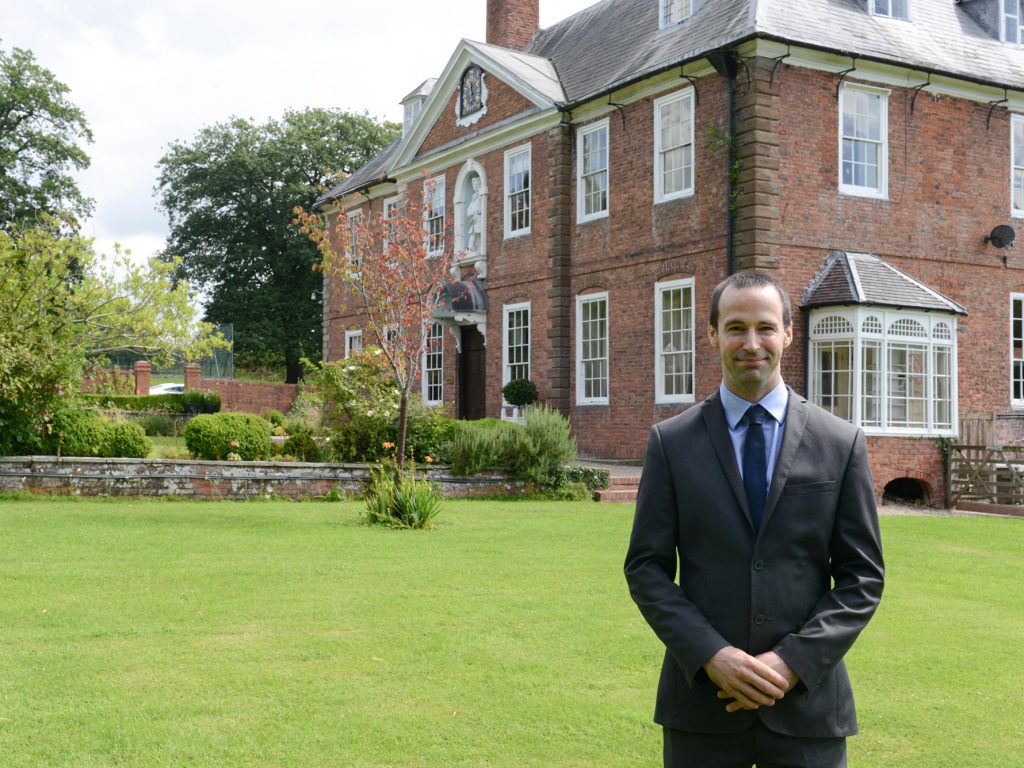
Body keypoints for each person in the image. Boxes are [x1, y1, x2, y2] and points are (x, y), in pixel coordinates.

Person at [624, 271, 884, 768]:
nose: (751, 343)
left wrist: (792, 662)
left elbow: (862, 577)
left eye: (765, 328)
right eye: (736, 327)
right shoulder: (672, 444)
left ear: (788, 333)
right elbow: (646, 568)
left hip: (808, 709)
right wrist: (711, 656)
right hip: (703, 709)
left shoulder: (840, 443)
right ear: (712, 334)